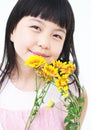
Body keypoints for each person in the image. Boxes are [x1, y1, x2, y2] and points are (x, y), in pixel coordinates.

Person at [0, 0, 87, 130]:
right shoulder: (3, 91)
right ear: (12, 30)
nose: (44, 43)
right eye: (36, 27)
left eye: (57, 35)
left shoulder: (71, 89)